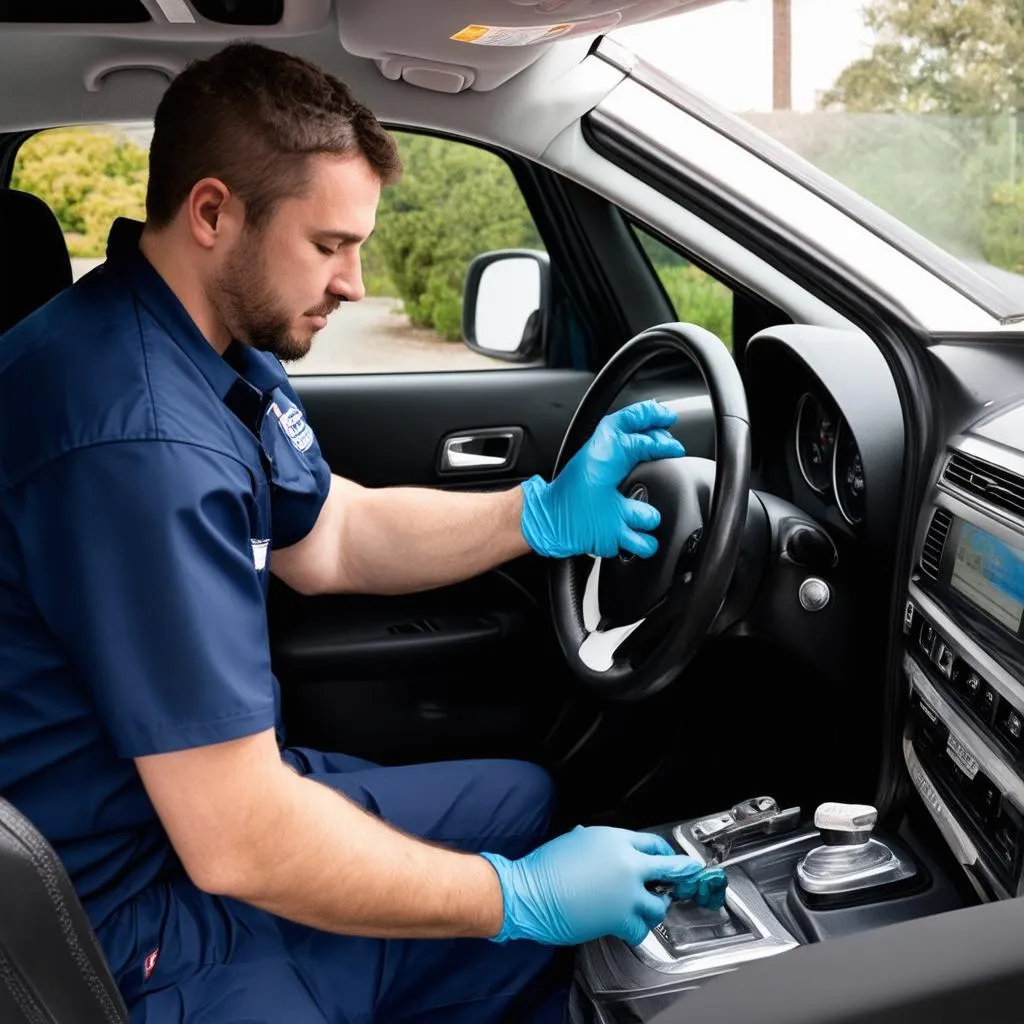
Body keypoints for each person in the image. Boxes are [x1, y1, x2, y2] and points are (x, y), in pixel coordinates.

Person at [0, 42, 723, 1024]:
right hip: (126, 917)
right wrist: (517, 900)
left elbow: (330, 533)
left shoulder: (213, 343)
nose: (353, 280)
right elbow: (240, 842)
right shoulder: (135, 439)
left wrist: (538, 512)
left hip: (193, 827)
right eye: (330, 244)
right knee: (521, 900)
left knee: (519, 803)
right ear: (213, 213)